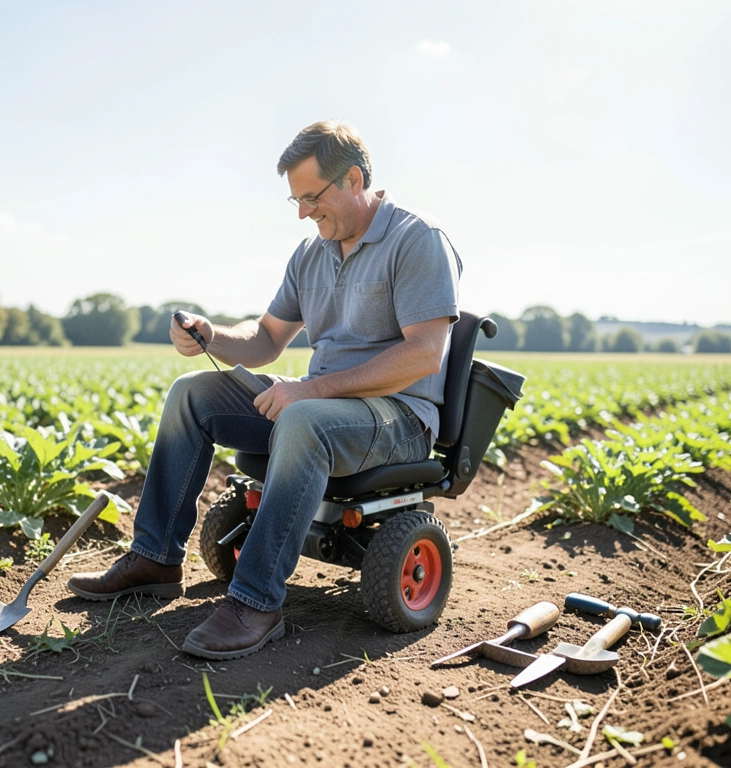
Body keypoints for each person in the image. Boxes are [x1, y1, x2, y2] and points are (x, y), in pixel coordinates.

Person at [68, 121, 463, 660]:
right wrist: (212, 334)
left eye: (311, 197)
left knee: (302, 419)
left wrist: (313, 390)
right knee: (193, 394)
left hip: (398, 417)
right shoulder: (311, 254)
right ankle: (155, 559)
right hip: (324, 404)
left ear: (354, 178)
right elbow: (266, 339)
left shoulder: (417, 240)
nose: (303, 212)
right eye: (295, 200)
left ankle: (255, 601)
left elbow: (423, 353)